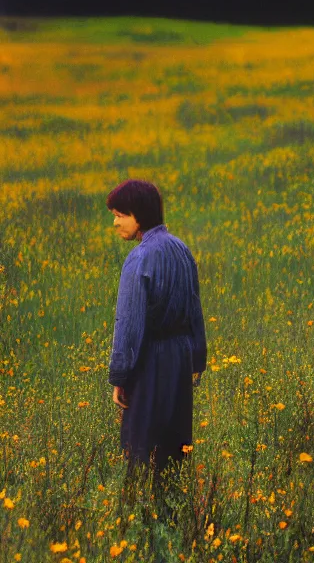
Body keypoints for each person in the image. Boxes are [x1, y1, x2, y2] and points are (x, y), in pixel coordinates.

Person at [106, 179, 207, 504]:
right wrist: (197, 359)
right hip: (180, 359)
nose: (116, 221)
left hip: (151, 360)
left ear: (138, 214)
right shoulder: (181, 249)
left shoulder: (140, 258)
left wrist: (120, 377)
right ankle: (172, 520)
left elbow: (129, 324)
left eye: (120, 214)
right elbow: (195, 310)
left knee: (140, 448)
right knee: (174, 448)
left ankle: (139, 527)